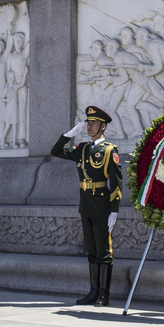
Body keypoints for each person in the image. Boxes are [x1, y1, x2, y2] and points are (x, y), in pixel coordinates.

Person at [50, 106, 123, 307]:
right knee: (91, 251)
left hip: (102, 206)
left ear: (103, 126)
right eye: (88, 123)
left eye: (93, 123)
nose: (89, 127)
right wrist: (70, 134)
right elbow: (55, 151)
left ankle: (103, 294)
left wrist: (114, 210)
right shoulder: (82, 149)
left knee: (104, 251)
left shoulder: (109, 150)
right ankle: (92, 292)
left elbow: (116, 183)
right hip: (86, 205)